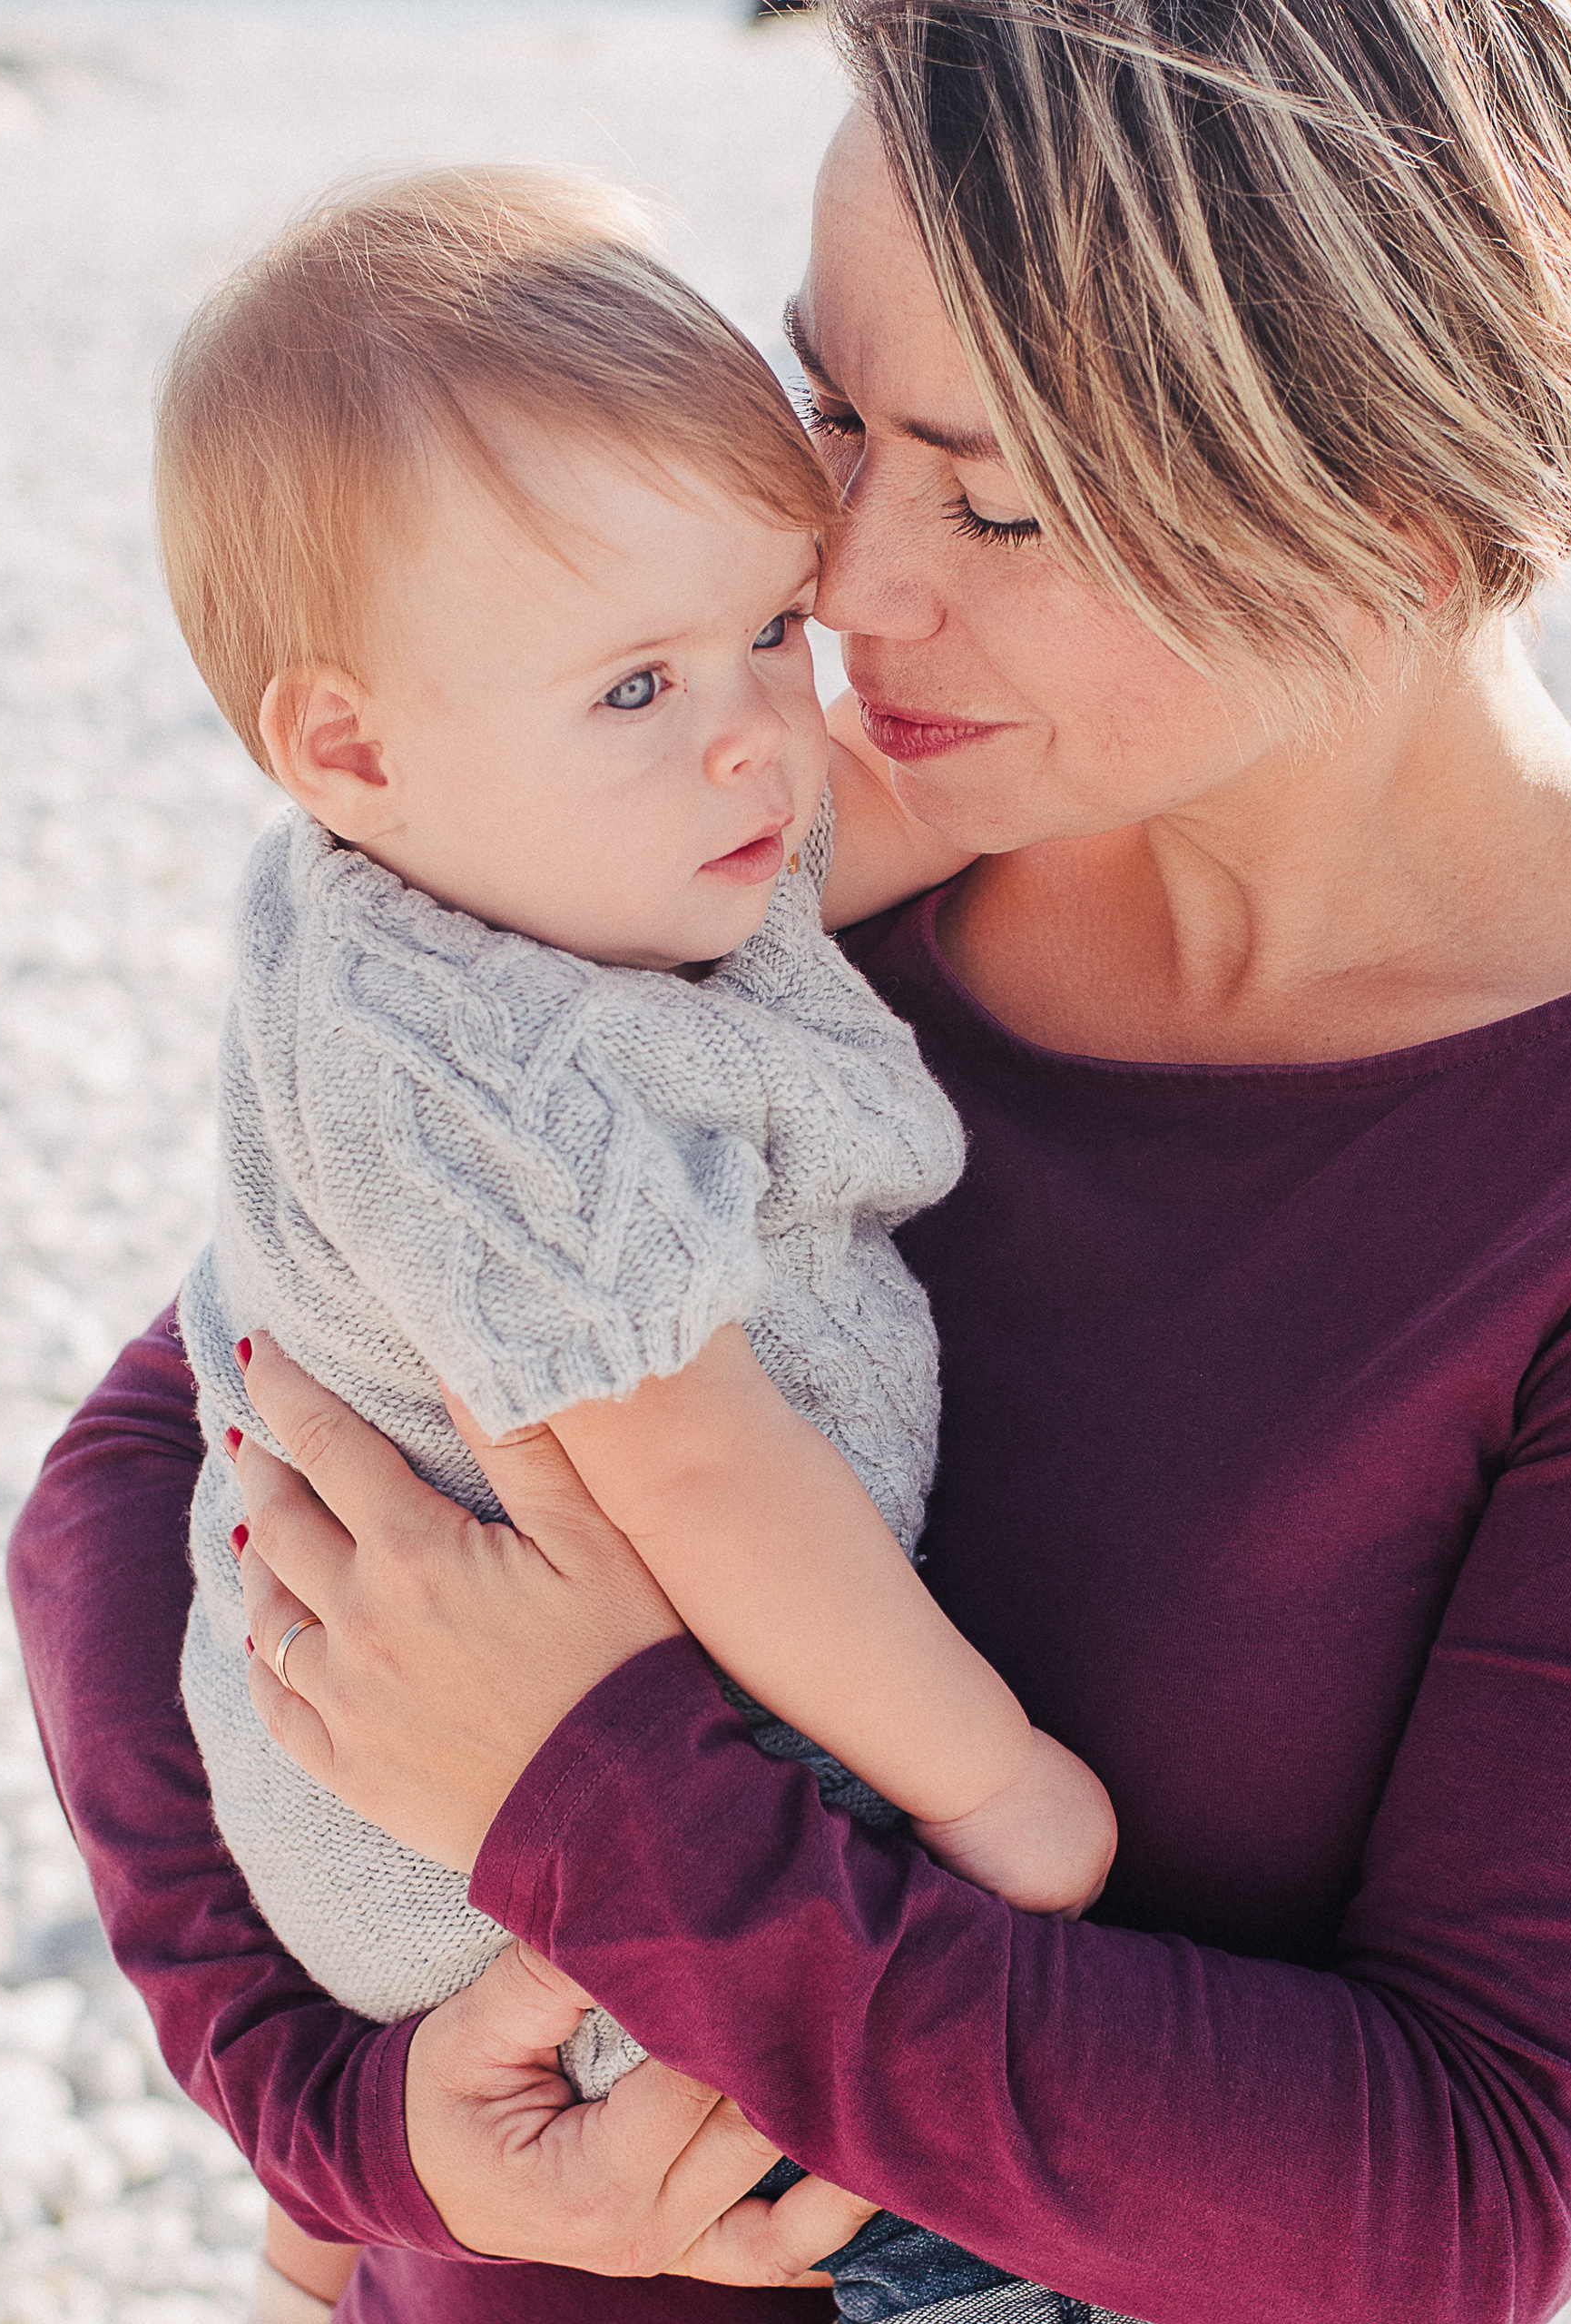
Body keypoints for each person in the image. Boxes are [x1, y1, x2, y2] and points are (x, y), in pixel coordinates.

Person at [8, 1, 1571, 2319]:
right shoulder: (742, 855)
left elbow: (1448, 2197)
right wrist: (336, 2120)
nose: (841, 580)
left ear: (1406, 507)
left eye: (998, 496)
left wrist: (602, 1800)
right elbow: (153, 1467)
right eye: (825, 408)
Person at [152, 164, 1116, 2322]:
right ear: (347, 744)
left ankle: (324, 2257)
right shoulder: (461, 1060)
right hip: (475, 1849)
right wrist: (990, 1779)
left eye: (770, 621)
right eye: (635, 683)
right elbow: (696, 1473)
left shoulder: (580, 828)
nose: (750, 727)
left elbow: (897, 803)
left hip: (549, 1718)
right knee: (910, 2163)